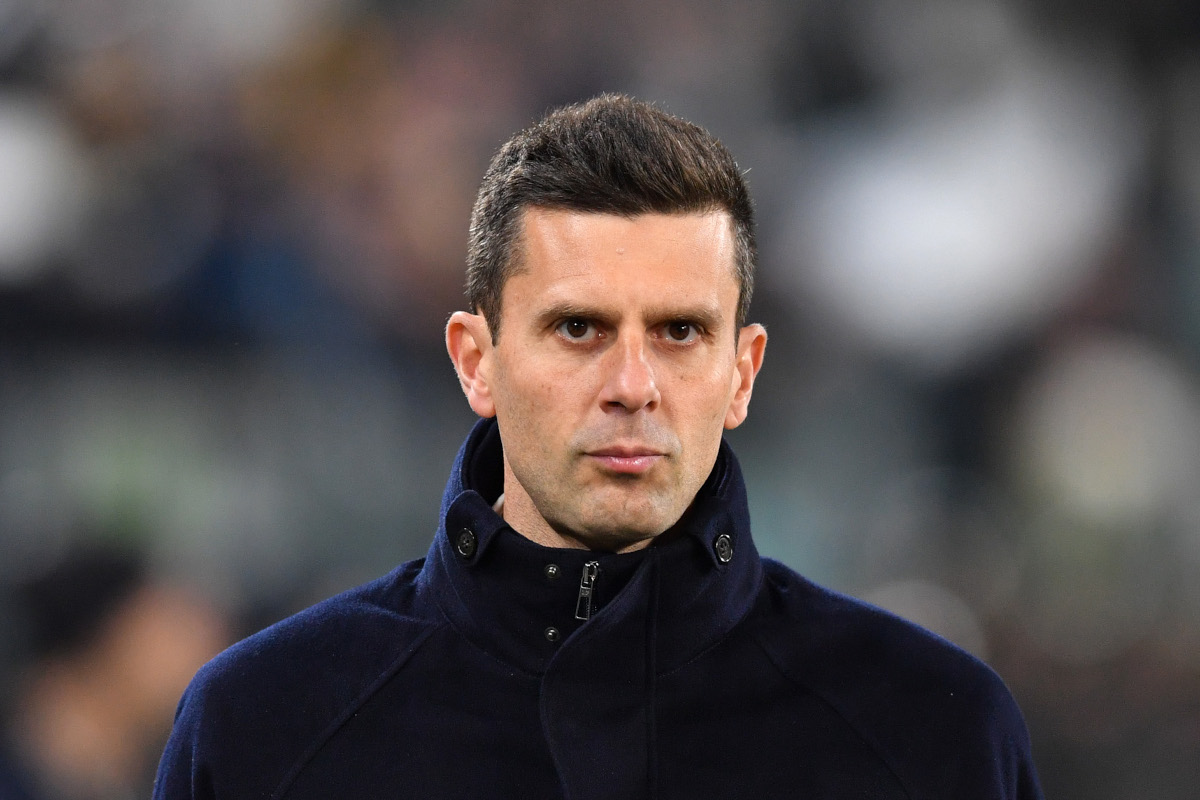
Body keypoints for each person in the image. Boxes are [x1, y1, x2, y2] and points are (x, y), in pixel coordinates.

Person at [153, 94, 1043, 799]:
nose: (631, 383)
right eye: (578, 328)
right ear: (476, 361)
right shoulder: (265, 726)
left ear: (743, 373)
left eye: (681, 332)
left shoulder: (934, 731)